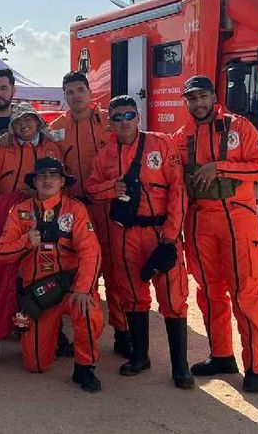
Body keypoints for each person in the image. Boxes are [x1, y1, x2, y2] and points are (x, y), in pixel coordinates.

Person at [85, 95, 194, 389]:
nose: (124, 122)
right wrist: (112, 188)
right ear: (110, 122)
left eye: (129, 115)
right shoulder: (105, 154)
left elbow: (178, 190)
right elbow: (91, 188)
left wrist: (171, 235)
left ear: (138, 117)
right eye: (117, 117)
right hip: (125, 233)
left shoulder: (161, 144)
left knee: (173, 298)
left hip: (161, 232)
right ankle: (139, 356)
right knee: (133, 295)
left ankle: (180, 367)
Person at [172, 75, 258, 393]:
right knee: (209, 293)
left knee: (246, 295)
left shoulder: (239, 127)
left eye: (203, 96)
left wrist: (220, 167)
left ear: (214, 97)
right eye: (192, 98)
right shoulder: (182, 135)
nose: (198, 103)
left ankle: (255, 367)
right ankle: (221, 355)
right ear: (186, 102)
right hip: (199, 223)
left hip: (237, 221)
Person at [0, 157, 104, 393]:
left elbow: (91, 251)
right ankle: (52, 340)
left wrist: (84, 289)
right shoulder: (20, 211)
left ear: (62, 181)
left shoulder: (75, 209)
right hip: (40, 294)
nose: (47, 180)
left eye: (53, 175)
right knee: (35, 365)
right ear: (34, 182)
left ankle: (84, 367)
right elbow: (0, 252)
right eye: (41, 176)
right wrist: (26, 242)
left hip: (71, 288)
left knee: (88, 310)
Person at [49, 71, 129, 358]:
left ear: (90, 91)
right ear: (64, 96)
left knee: (116, 271)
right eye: (70, 92)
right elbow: (49, 163)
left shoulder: (109, 121)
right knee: (81, 272)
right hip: (76, 210)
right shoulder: (56, 129)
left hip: (109, 205)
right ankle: (83, 336)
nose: (76, 96)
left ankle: (123, 333)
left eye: (80, 90)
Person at [0, 103, 61, 196]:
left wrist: (39, 193)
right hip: (6, 202)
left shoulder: (51, 148)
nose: (23, 124)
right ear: (13, 127)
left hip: (41, 202)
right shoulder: (3, 148)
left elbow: (60, 180)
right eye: (17, 121)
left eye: (27, 119)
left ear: (37, 121)